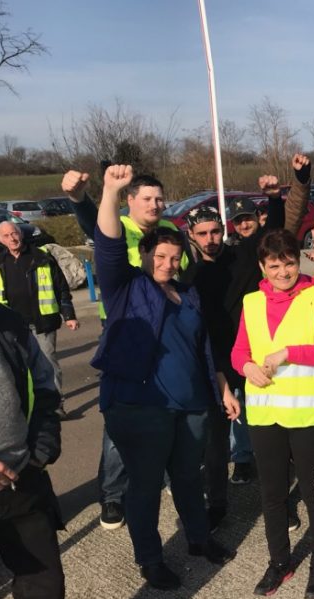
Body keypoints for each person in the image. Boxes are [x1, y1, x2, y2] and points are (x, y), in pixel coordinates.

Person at [93, 164, 235, 591]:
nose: (168, 264)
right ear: (144, 257)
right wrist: (111, 192)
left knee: (190, 479)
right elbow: (107, 245)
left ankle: (197, 538)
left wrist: (222, 388)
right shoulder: (126, 287)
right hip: (141, 406)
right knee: (147, 487)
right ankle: (150, 559)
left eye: (174, 258)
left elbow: (202, 348)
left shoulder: (187, 293)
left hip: (190, 404)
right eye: (160, 257)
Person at [182, 155, 311, 531]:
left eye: (214, 231)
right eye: (202, 233)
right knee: (216, 444)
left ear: (222, 231)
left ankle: (283, 504)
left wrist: (273, 197)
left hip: (257, 361)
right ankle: (217, 505)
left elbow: (269, 232)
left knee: (271, 439)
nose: (210, 238)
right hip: (218, 366)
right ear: (192, 235)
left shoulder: (241, 257)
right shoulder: (190, 277)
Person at [62, 168, 190, 531]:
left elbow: (186, 277)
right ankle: (114, 494)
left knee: (165, 408)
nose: (155, 204)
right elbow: (97, 229)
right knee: (121, 419)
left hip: (168, 331)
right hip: (126, 332)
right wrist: (81, 198)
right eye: (146, 198)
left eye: (159, 198)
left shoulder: (171, 233)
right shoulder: (121, 228)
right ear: (130, 201)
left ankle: (162, 474)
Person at [230, 229, 314, 598]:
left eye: (289, 264)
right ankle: (280, 561)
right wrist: (246, 368)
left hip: (310, 415)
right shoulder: (251, 302)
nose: (282, 272)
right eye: (274, 266)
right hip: (266, 415)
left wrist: (289, 352)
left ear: (299, 261)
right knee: (272, 494)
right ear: (262, 267)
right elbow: (238, 352)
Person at [0, 304, 65, 599]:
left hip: (22, 477)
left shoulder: (10, 320)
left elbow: (46, 386)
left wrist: (39, 452)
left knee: (45, 587)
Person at [0, 221, 78, 415]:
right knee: (17, 368)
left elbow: (61, 288)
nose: (13, 238)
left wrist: (69, 314)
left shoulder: (41, 257)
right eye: (7, 236)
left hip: (42, 322)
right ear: (0, 240)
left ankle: (55, 405)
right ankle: (26, 407)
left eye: (15, 234)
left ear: (21, 234)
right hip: (13, 326)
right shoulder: (0, 263)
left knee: (47, 364)